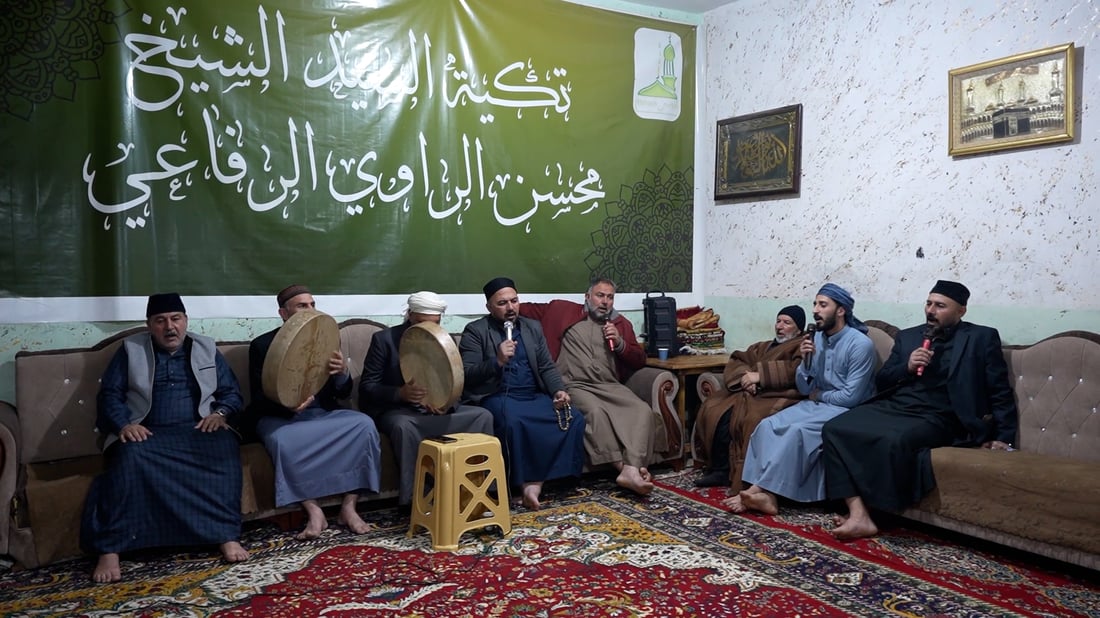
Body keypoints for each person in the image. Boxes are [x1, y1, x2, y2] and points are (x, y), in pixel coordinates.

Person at [822, 280, 1018, 540]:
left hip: (943, 415)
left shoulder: (981, 338)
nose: (931, 310)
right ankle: (858, 512)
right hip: (897, 406)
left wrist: (1004, 437)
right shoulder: (910, 336)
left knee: (893, 440)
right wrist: (907, 366)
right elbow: (884, 380)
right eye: (928, 303)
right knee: (835, 428)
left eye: (940, 306)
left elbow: (999, 390)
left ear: (961, 311)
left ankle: (873, 512)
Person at [81, 293, 248, 583]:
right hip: (148, 432)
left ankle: (225, 534)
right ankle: (111, 548)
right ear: (149, 325)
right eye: (160, 321)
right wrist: (123, 425)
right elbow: (110, 394)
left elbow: (231, 393)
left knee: (224, 447)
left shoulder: (206, 348)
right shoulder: (130, 349)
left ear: (185, 321)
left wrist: (220, 413)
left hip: (197, 430)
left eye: (176, 319)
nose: (170, 327)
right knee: (130, 456)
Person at [725, 284, 876, 515]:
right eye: (815, 304)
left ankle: (761, 491)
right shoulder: (817, 339)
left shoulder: (860, 345)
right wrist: (806, 360)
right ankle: (763, 493)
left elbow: (850, 397)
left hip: (845, 410)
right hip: (816, 404)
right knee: (767, 425)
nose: (816, 310)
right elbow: (805, 386)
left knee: (796, 431)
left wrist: (818, 394)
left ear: (841, 310)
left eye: (823, 305)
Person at [248, 285, 381, 540]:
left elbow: (342, 393)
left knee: (363, 425)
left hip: (324, 413)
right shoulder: (263, 345)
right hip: (282, 417)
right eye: (301, 306)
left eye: (312, 304)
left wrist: (342, 373)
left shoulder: (327, 339)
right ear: (283, 313)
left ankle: (349, 507)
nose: (310, 310)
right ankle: (313, 510)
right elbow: (258, 397)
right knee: (282, 440)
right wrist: (286, 406)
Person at [520, 278, 657, 495]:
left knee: (643, 411)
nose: (605, 302)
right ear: (587, 296)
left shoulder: (621, 324)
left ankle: (633, 467)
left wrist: (620, 344)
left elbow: (639, 360)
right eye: (600, 295)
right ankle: (624, 469)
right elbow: (520, 308)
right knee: (595, 412)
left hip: (609, 385)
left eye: (610, 297)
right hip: (574, 384)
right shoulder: (561, 310)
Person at [459, 277, 587, 511]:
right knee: (513, 422)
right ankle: (522, 485)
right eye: (502, 303)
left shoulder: (532, 327)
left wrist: (559, 391)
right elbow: (466, 374)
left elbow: (547, 366)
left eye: (514, 301)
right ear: (488, 307)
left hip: (531, 394)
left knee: (573, 417)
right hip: (495, 396)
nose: (510, 308)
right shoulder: (475, 331)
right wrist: (496, 361)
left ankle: (537, 482)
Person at [359, 291, 495, 508]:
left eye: (436, 323)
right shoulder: (384, 340)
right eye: (423, 322)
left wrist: (447, 402)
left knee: (482, 416)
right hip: (401, 412)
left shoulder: (443, 339)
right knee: (404, 427)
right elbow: (367, 387)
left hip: (438, 411)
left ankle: (480, 493)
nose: (431, 328)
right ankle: (418, 501)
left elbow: (455, 381)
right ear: (411, 315)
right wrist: (399, 393)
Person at [693, 305, 806, 489]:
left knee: (748, 418)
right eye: (778, 321)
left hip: (775, 394)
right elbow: (739, 359)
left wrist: (761, 377)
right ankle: (719, 469)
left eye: (787, 323)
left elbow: (798, 371)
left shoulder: (800, 347)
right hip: (749, 392)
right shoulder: (763, 347)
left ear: (799, 328)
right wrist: (746, 379)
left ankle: (741, 476)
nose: (780, 326)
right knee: (714, 408)